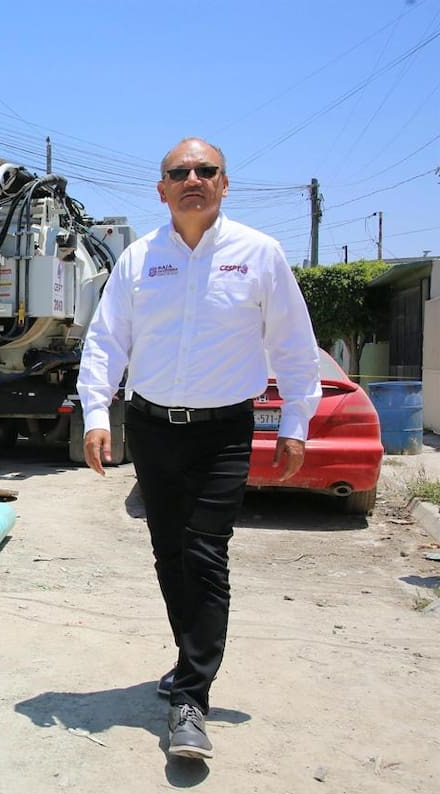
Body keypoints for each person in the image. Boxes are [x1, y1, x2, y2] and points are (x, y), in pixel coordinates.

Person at [77, 137, 321, 760]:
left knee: (205, 554)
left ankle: (191, 697)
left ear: (224, 184)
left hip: (223, 432)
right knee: (169, 554)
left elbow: (293, 343)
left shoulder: (259, 255)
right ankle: (191, 661)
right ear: (161, 189)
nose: (193, 179)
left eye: (205, 170)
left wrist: (296, 420)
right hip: (153, 428)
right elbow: (107, 341)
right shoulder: (138, 260)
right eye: (179, 172)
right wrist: (97, 414)